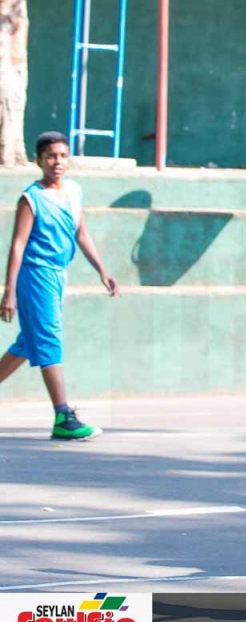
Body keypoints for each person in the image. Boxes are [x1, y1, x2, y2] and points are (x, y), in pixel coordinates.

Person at [1, 132, 119, 439]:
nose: (58, 162)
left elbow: (82, 234)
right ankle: (63, 416)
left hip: (57, 276)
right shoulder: (31, 198)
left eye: (63, 156)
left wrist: (102, 271)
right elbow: (17, 245)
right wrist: (9, 291)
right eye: (51, 156)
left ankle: (63, 415)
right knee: (49, 338)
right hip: (35, 275)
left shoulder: (74, 191)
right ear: (39, 161)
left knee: (28, 343)